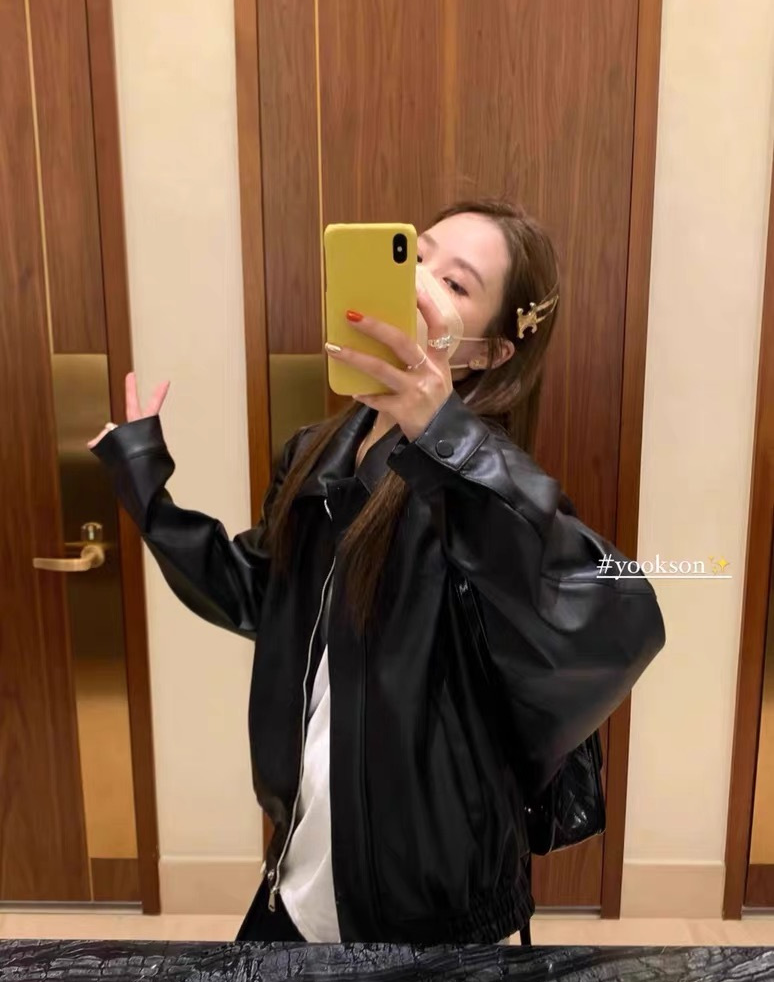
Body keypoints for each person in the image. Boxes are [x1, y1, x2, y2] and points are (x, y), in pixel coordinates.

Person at [88, 198, 665, 944]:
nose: (419, 283)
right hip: (302, 871)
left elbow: (615, 622)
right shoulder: (314, 454)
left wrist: (444, 439)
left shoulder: (483, 497)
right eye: (414, 255)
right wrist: (145, 489)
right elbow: (257, 593)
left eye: (455, 284)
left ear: (488, 353)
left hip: (431, 909)